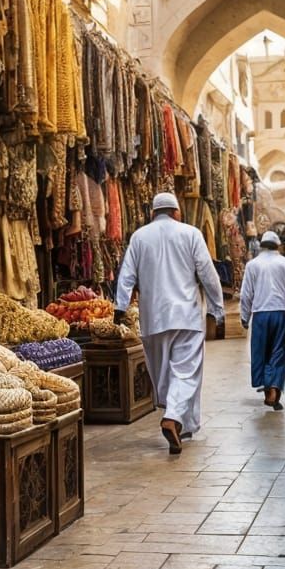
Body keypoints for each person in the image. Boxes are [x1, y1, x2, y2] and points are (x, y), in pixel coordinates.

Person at [114, 193, 225, 453]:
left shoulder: (140, 236)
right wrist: (217, 309)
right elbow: (208, 274)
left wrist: (120, 307)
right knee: (185, 373)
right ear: (176, 212)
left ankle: (179, 422)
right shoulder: (191, 233)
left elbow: (126, 274)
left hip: (153, 318)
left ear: (153, 213)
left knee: (163, 374)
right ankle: (173, 418)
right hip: (187, 317)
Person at [239, 230, 285, 410]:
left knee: (261, 352)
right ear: (278, 246)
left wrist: (244, 317)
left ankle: (268, 389)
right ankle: (274, 386)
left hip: (260, 314)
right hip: (280, 314)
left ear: (261, 245)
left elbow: (246, 294)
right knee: (278, 352)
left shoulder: (253, 265)